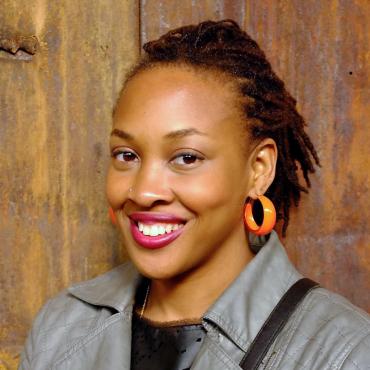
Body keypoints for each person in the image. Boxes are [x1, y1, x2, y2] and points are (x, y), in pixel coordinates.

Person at [19, 19, 370, 370]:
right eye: (127, 155)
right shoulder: (60, 327)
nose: (143, 192)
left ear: (259, 168)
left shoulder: (345, 352)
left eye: (186, 157)